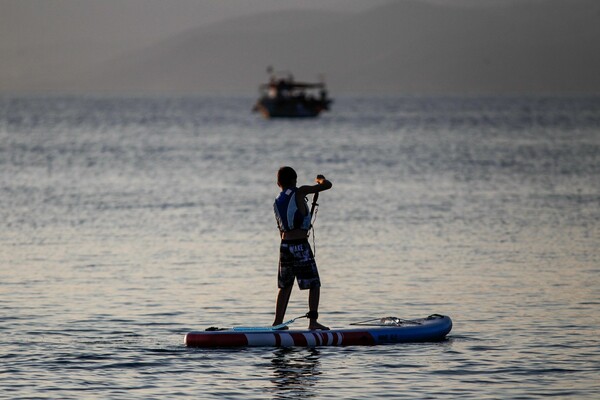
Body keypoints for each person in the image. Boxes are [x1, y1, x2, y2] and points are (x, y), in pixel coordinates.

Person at [272, 166, 333, 330]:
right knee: (314, 284)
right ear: (293, 180)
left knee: (285, 286)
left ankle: (278, 323)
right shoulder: (300, 192)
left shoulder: (277, 201)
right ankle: (313, 322)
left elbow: (280, 228)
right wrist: (319, 180)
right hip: (299, 246)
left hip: (284, 246)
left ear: (279, 183)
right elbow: (327, 185)